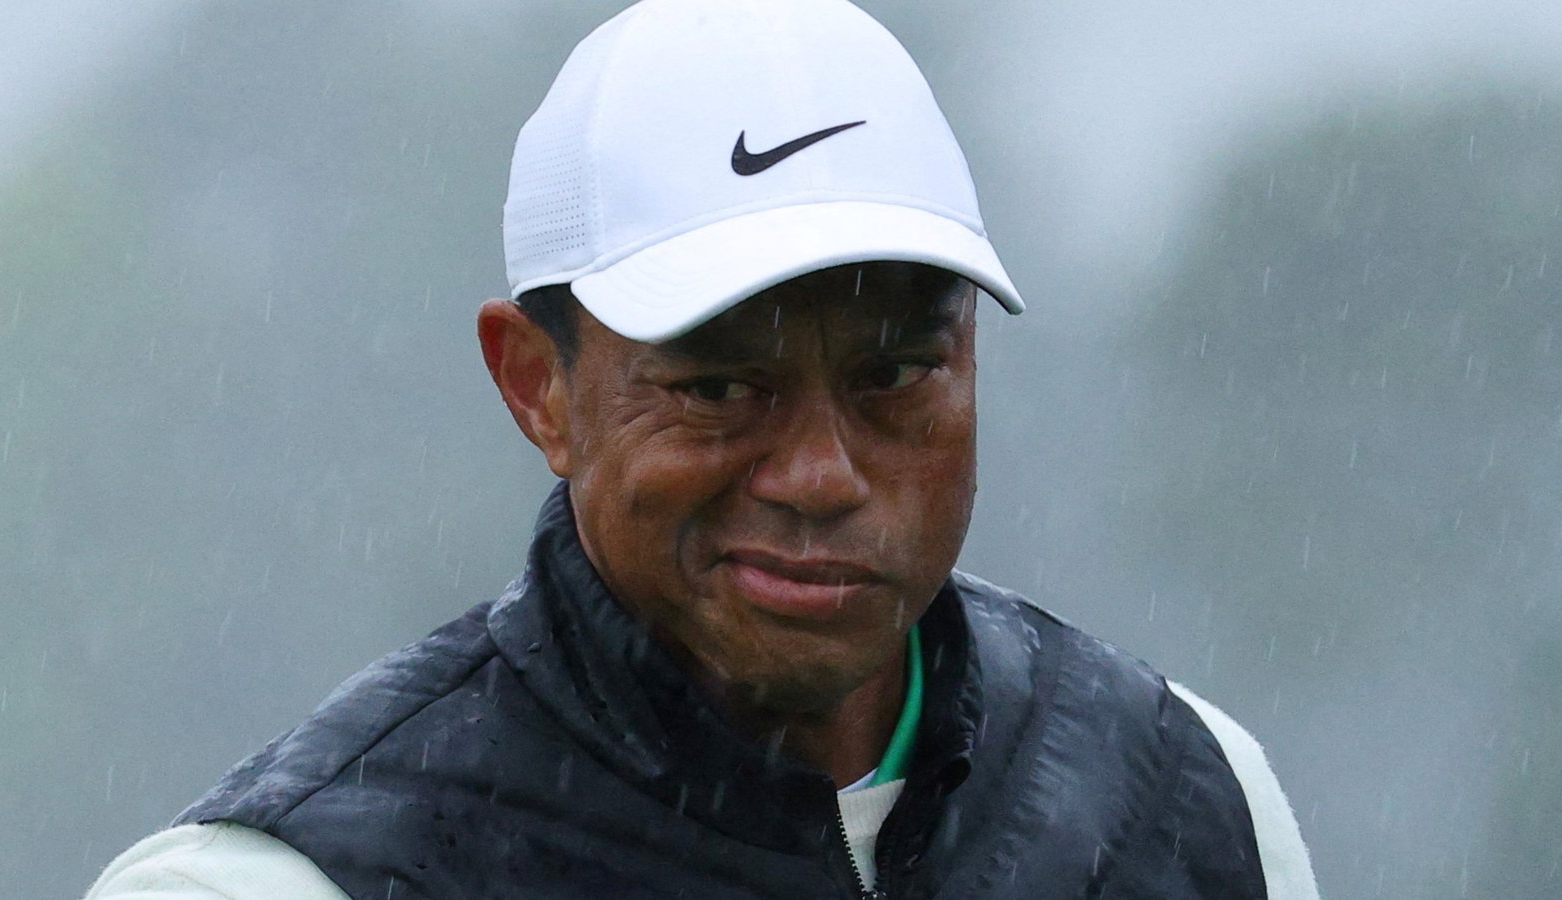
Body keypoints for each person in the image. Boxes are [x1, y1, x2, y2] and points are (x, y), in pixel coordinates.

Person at [86, 0, 1319, 897]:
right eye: (722, 388)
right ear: (537, 386)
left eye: (895, 374)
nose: (823, 475)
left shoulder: (1188, 794)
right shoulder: (280, 885)